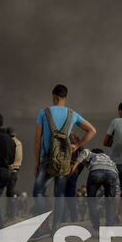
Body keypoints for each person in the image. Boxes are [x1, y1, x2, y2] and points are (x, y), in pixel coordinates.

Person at [33, 84, 96, 218]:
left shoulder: (43, 113)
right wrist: (77, 145)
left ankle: (43, 226)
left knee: (37, 191)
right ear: (65, 98)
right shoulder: (72, 114)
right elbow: (92, 130)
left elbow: (38, 139)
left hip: (47, 159)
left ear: (53, 97)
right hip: (64, 160)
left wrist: (37, 162)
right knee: (60, 194)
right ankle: (57, 227)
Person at [74, 148, 120, 229]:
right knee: (110, 201)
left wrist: (73, 167)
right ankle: (109, 228)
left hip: (96, 172)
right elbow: (117, 191)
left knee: (91, 199)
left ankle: (96, 226)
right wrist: (116, 211)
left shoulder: (93, 154)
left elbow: (85, 151)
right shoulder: (110, 161)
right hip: (112, 173)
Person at [102, 102, 122, 194]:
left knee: (112, 189)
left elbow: (105, 142)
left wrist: (112, 141)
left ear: (120, 110)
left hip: (115, 162)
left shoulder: (115, 121)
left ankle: (111, 208)